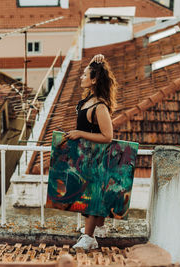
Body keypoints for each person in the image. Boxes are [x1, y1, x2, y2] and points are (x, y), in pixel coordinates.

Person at [66, 54, 118, 250]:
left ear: (94, 79)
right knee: (92, 194)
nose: (81, 77)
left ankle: (89, 238)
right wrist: (97, 60)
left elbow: (108, 136)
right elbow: (97, 69)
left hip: (97, 158)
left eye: (85, 74)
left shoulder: (100, 107)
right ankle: (100, 228)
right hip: (86, 157)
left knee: (92, 196)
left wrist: (79, 133)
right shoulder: (88, 100)